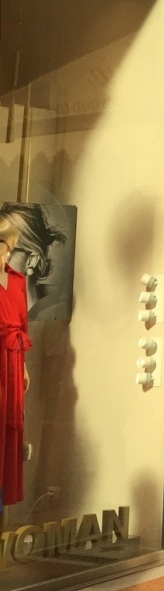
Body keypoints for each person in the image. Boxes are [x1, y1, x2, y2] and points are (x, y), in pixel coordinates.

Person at [0, 214, 32, 508]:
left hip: (13, 360)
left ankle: (3, 493)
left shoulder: (18, 280)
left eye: (5, 243)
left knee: (11, 425)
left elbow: (22, 324)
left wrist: (22, 366)